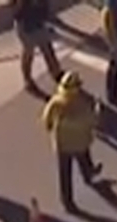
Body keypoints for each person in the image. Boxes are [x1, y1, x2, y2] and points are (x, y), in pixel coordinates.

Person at [41, 72, 102, 211]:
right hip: (80, 141)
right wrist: (98, 109)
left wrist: (49, 127)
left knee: (65, 173)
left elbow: (47, 117)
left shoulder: (56, 102)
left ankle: (67, 201)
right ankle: (88, 175)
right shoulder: (83, 104)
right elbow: (94, 121)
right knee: (84, 158)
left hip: (62, 144)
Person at [13, 0, 64, 89]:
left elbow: (45, 6)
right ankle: (27, 78)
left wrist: (50, 17)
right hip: (25, 26)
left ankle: (56, 73)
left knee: (47, 48)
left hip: (38, 23)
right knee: (29, 52)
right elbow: (17, 9)